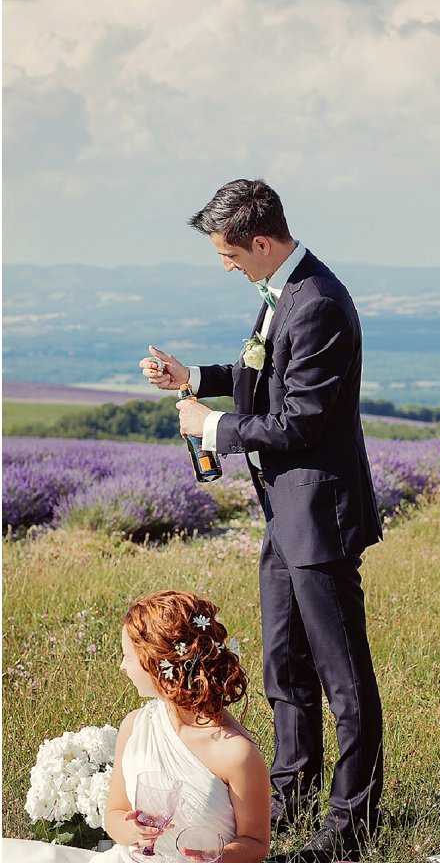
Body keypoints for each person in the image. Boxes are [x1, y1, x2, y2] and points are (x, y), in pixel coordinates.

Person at [139, 179, 384, 863]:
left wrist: (213, 427)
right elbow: (266, 379)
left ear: (263, 242)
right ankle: (292, 793)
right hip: (285, 515)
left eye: (228, 253)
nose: (225, 264)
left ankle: (352, 826)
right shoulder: (284, 292)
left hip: (319, 517)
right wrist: (195, 378)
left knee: (344, 681)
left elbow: (301, 420)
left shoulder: (319, 303)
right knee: (283, 664)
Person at [2, 591, 270, 864]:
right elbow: (115, 814)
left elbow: (256, 843)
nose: (122, 666)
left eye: (127, 656)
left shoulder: (236, 754)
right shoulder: (135, 726)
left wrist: (218, 857)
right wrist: (132, 830)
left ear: (157, 663)